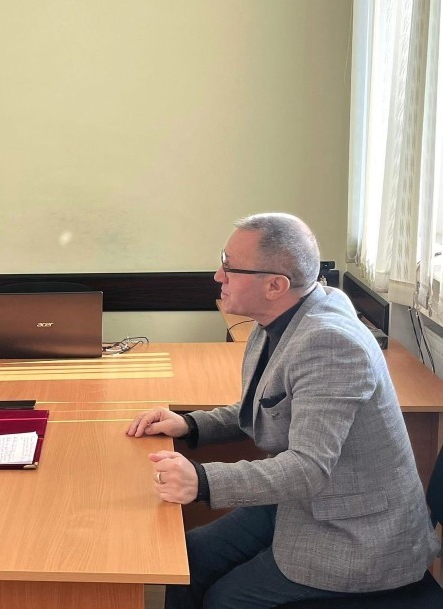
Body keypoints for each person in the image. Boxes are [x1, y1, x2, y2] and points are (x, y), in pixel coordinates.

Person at [128, 213, 439, 609]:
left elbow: (308, 468)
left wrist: (202, 481)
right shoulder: (282, 317)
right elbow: (265, 406)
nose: (218, 276)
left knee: (225, 599)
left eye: (229, 266)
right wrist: (190, 424)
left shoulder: (331, 345)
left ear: (275, 285)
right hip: (301, 504)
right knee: (188, 559)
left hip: (356, 533)